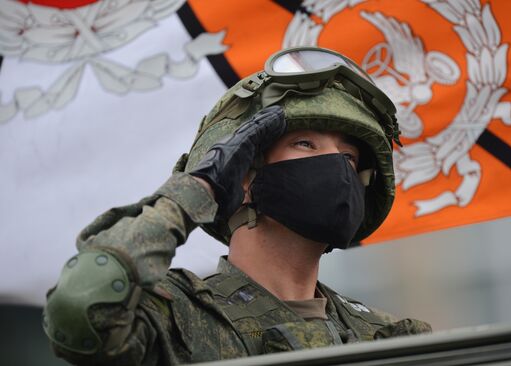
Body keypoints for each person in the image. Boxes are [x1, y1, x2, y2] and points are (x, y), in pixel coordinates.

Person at [43, 47, 431, 365]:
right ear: (242, 178)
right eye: (306, 144)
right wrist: (198, 190)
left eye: (348, 157)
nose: (337, 169)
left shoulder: (383, 336)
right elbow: (81, 307)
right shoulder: (178, 318)